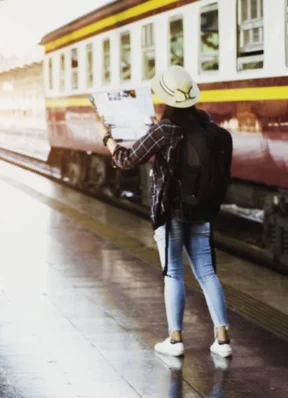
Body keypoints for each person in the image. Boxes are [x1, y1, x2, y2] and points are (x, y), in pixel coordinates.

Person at [98, 66, 233, 358]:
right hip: (201, 211)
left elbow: (126, 159)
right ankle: (222, 340)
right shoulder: (207, 126)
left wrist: (107, 138)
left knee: (173, 273)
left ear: (166, 98)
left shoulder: (165, 129)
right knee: (207, 272)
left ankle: (175, 339)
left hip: (170, 213)